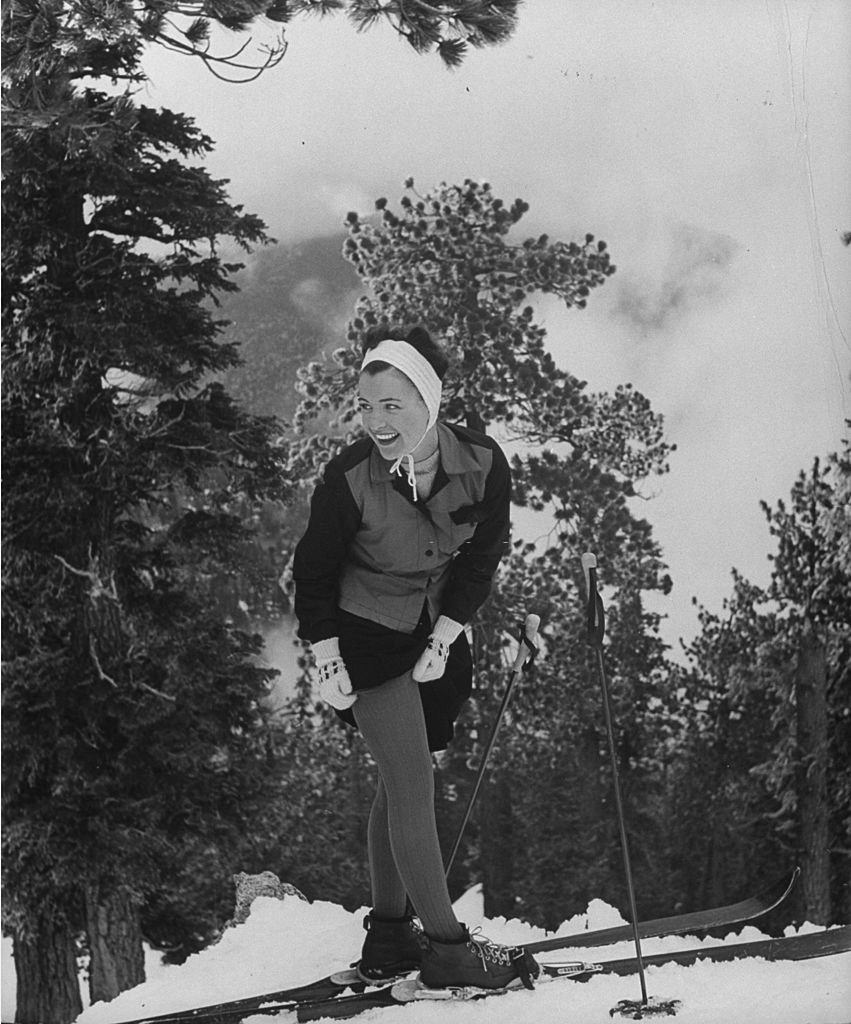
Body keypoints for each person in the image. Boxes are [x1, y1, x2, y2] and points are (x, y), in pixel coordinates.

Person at [292, 324, 540, 993]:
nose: (374, 421)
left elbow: (480, 556)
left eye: (390, 405)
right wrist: (327, 660)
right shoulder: (348, 480)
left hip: (435, 633)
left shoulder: (483, 463)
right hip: (364, 634)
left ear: (427, 401)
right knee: (410, 787)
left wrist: (447, 634)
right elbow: (311, 574)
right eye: (365, 406)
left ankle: (389, 937)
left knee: (402, 779)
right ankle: (448, 949)